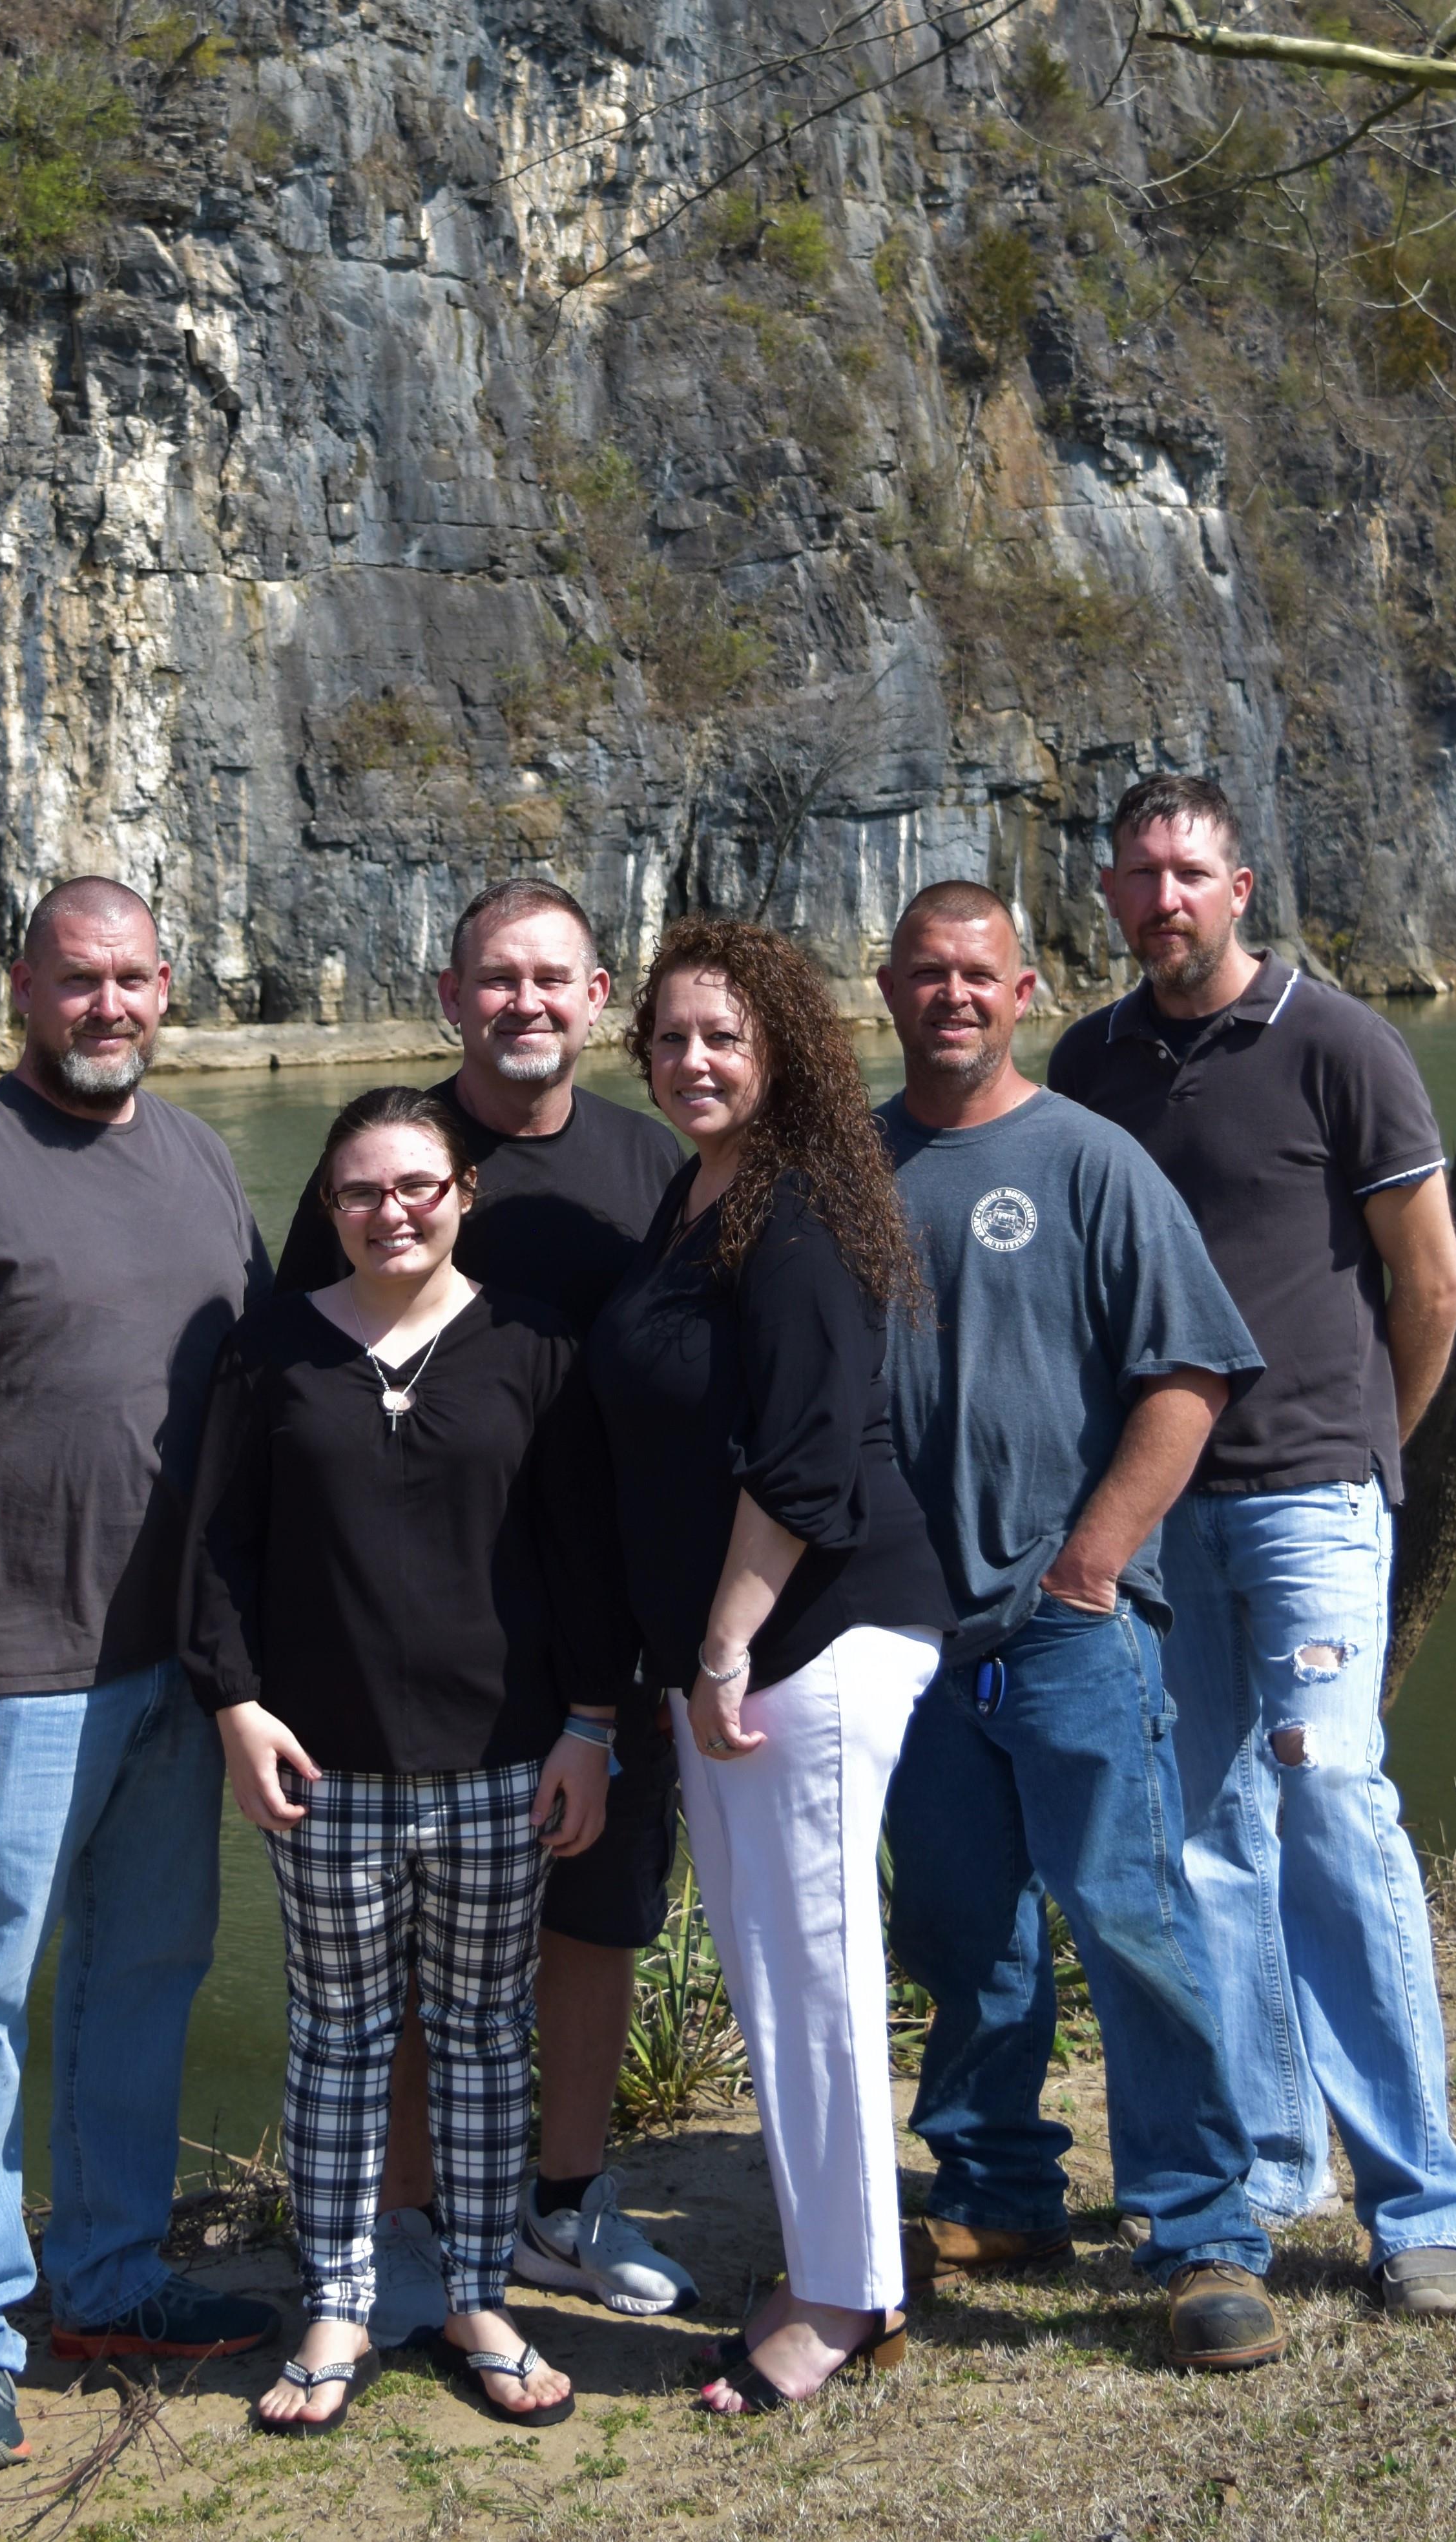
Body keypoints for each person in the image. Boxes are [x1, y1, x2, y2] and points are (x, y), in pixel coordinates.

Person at [0, 880, 278, 2479]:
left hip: (175, 1665)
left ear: (170, 987)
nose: (110, 1007)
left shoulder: (199, 1156)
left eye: (136, 980)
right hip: (15, 1671)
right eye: (79, 980)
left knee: (143, 1975)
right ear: (21, 983)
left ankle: (109, 2280)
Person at [1050, 773, 1456, 2317]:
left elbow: (1428, 1283)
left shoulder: (1335, 1042)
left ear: (1239, 887)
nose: (1162, 898)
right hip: (1154, 1517)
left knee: (1329, 1806)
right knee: (1198, 1842)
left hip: (1307, 1496)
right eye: (1136, 876)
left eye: (1188, 872)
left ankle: (1424, 2203)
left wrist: (1364, 1450)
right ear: (1107, 897)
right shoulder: (1087, 1066)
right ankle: (1258, 2160)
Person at [875, 880, 1285, 2373]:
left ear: (1027, 988)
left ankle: (1204, 2228)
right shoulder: (852, 1167)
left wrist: (1092, 1566)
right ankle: (998, 2189)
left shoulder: (1089, 1163)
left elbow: (1189, 1375)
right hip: (909, 1640)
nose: (950, 998)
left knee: (1126, 1918)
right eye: (924, 974)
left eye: (976, 974)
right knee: (958, 1929)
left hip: (1064, 1625)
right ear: (885, 986)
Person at [274, 880, 694, 2337]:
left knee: (597, 1919)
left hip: (610, 1635)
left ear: (597, 999)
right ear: (452, 999)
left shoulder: (659, 1170)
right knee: (395, 1960)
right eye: (494, 980)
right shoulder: (384, 1165)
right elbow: (287, 1399)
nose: (524, 1002)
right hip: (405, 1659)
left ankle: (562, 2203)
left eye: (552, 978)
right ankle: (406, 2228)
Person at [182, 1087, 630, 2433]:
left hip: (505, 1762)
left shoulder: (533, 1347)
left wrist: (591, 1728)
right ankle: (338, 2300)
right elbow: (216, 1550)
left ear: (461, 1197)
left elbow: (585, 1557)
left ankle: (476, 2296)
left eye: (418, 1187)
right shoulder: (270, 1353)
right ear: (329, 1208)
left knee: (488, 2039)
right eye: (363, 1193)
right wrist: (236, 1709)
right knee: (337, 2041)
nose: (393, 1212)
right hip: (325, 1772)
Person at [581, 916, 957, 2415]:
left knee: (813, 1974)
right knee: (765, 1965)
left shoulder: (797, 1204)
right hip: (728, 1655)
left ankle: (846, 2296)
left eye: (723, 1036)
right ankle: (828, 2256)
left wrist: (724, 1645)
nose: (692, 1060)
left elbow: (806, 1461)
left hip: (809, 1637)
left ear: (784, 1048)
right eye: (671, 1037)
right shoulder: (694, 1196)